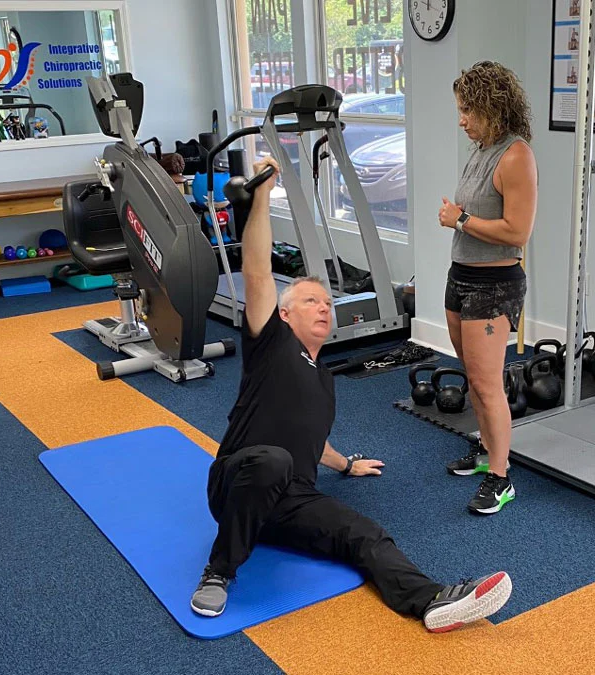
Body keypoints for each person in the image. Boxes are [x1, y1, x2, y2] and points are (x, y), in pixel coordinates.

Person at [191, 157, 512, 632]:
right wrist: (262, 196)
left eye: (326, 302)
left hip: (291, 499)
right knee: (274, 461)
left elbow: (308, 440)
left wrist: (346, 465)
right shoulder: (270, 344)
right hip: (237, 484)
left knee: (364, 532)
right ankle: (218, 573)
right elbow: (257, 273)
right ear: (283, 314)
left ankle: (433, 602)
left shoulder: (324, 378)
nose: (322, 307)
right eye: (308, 301)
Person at [438, 61, 538, 515]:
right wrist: (462, 218)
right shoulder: (481, 148)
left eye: (467, 111)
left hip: (494, 284)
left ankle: (501, 477)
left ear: (491, 107)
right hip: (461, 276)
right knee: (474, 380)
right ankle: (485, 453)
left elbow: (518, 232)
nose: (461, 120)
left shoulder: (515, 155)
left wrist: (460, 219)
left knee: (487, 383)